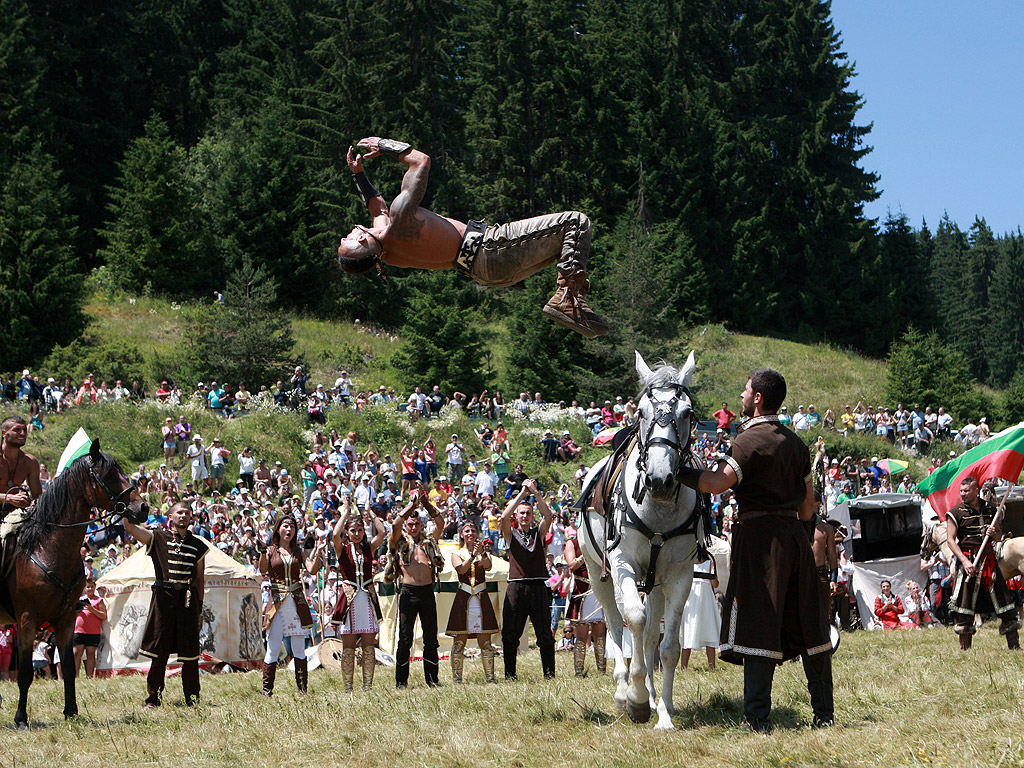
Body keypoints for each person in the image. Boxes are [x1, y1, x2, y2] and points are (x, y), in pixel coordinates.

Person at [675, 368, 833, 731]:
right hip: (795, 535)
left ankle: (757, 718)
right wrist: (799, 534)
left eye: (747, 390)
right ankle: (825, 714)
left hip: (761, 540)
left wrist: (677, 471)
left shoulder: (747, 442)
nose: (743, 395)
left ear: (758, 398)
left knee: (759, 622)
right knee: (809, 623)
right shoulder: (796, 443)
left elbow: (715, 484)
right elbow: (808, 508)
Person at [337, 136, 608, 338]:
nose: (345, 236)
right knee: (575, 222)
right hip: (489, 248)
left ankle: (570, 299)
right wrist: (384, 145)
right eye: (345, 242)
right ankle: (568, 298)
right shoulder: (400, 220)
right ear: (361, 241)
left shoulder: (387, 250)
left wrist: (359, 175)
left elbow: (376, 206)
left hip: (485, 273)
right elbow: (421, 161)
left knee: (565, 243)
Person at [122, 502, 207, 707]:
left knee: (190, 653)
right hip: (163, 600)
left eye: (187, 513)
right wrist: (125, 511)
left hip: (187, 600)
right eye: (179, 512)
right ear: (170, 516)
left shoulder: (198, 545)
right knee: (159, 652)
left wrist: (199, 607)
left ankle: (192, 699)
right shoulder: (158, 537)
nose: (183, 516)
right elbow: (130, 528)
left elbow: (200, 579)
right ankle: (153, 698)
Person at [946, 476, 1020, 650]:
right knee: (964, 609)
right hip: (969, 564)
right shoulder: (955, 512)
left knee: (1006, 605)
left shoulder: (990, 510)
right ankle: (965, 650)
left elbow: (998, 536)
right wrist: (964, 562)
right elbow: (950, 540)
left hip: (989, 563)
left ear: (975, 490)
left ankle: (1014, 647)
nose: (963, 494)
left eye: (966, 491)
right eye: (961, 491)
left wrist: (994, 533)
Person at [259, 515, 325, 695]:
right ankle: (267, 691)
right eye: (285, 525)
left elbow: (312, 569)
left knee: (298, 648)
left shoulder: (299, 551)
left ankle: (302, 690)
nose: (289, 529)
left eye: (292, 527)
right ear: (278, 529)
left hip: (297, 601)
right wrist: (262, 549)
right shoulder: (270, 551)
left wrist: (318, 551)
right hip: (277, 602)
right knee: (273, 647)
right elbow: (263, 569)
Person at [385, 488, 445, 688]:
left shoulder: (429, 542)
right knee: (405, 639)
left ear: (421, 525)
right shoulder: (400, 542)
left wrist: (425, 503)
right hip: (408, 593)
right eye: (410, 524)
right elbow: (395, 524)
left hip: (427, 592)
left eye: (416, 523)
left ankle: (432, 680)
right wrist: (412, 504)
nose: (413, 527)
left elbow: (440, 522)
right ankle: (401, 682)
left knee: (431, 639)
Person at [500, 479, 557, 680]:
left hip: (538, 586)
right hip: (516, 586)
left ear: (532, 516)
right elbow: (503, 518)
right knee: (510, 634)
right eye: (521, 513)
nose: (524, 516)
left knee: (544, 634)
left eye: (528, 513)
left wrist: (536, 494)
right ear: (517, 515)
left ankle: (549, 675)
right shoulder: (510, 533)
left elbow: (548, 516)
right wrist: (522, 494)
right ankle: (510, 675)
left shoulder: (537, 533)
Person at [331, 499, 387, 691]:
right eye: (352, 530)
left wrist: (371, 514)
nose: (356, 534)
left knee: (369, 648)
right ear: (347, 532)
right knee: (348, 647)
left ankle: (367, 687)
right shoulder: (342, 549)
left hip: (367, 600)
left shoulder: (368, 549)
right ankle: (348, 687)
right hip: (349, 599)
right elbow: (334, 534)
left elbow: (382, 533)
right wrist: (345, 513)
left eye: (360, 530)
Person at [445, 520, 499, 683]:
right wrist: (472, 555)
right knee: (459, 642)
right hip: (464, 597)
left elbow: (488, 566)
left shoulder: (485, 553)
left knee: (486, 642)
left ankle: (490, 678)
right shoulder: (456, 553)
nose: (470, 534)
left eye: (473, 531)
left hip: (481, 598)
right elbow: (461, 569)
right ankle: (457, 679)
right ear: (462, 534)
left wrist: (481, 553)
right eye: (467, 531)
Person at [563, 528, 606, 677]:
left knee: (600, 635)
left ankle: (602, 670)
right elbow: (572, 566)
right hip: (581, 589)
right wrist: (586, 552)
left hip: (598, 589)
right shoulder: (572, 543)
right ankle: (579, 672)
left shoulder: (600, 541)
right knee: (581, 636)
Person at [680, 554, 720, 670]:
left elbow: (716, 584)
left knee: (709, 629)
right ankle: (684, 667)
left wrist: (712, 576)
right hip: (691, 598)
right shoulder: (687, 562)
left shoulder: (709, 562)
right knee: (688, 630)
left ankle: (712, 666)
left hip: (706, 599)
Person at [0, 416, 42, 522]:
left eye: (24, 430)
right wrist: (9, 498)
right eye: (17, 430)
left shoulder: (30, 462)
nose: (22, 433)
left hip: (14, 514)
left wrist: (31, 502)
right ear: (4, 433)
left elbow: (38, 496)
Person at [72, 578, 107, 678]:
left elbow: (103, 616)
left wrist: (92, 609)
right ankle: (75, 676)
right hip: (78, 630)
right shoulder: (80, 600)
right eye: (88, 587)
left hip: (93, 631)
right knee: (76, 653)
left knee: (90, 654)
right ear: (84, 588)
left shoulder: (99, 600)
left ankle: (90, 676)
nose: (90, 589)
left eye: (92, 586)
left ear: (95, 587)